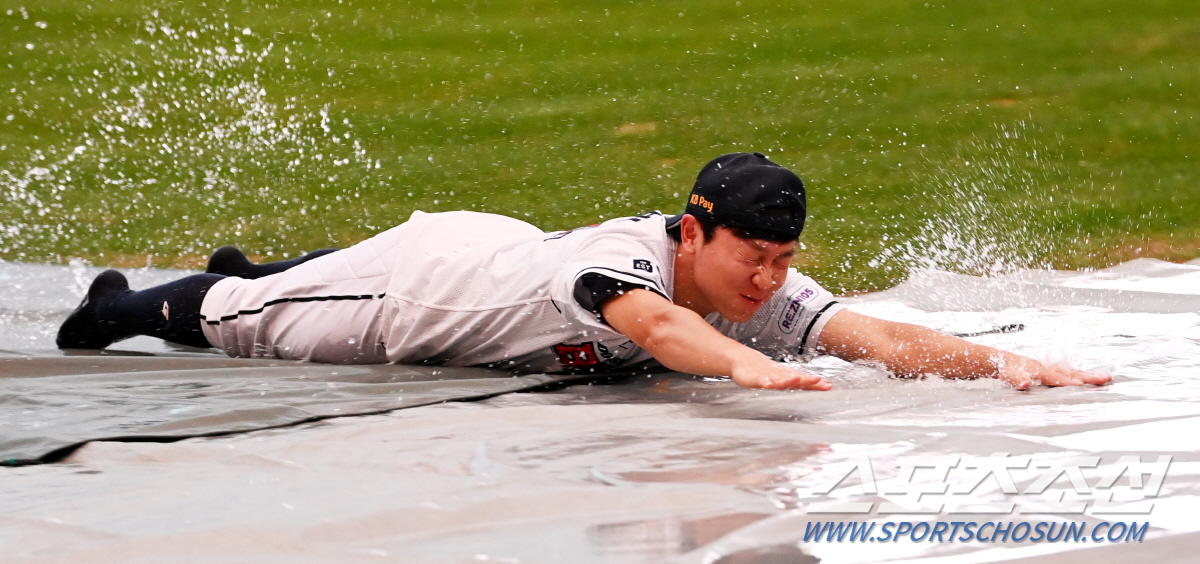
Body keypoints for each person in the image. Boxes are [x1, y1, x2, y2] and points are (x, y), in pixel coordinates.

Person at [57, 152, 1110, 390]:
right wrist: (746, 367)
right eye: (754, 258)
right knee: (242, 316)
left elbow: (873, 335)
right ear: (693, 234)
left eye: (785, 262)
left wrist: (1000, 364)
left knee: (282, 283)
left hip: (494, 251)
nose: (770, 282)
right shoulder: (625, 264)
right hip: (421, 294)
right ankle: (118, 304)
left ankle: (265, 268)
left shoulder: (755, 289)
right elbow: (657, 330)